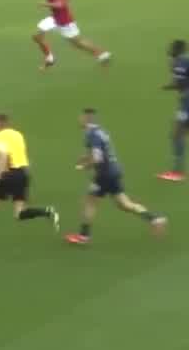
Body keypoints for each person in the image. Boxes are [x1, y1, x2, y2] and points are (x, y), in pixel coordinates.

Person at [65, 109, 167, 245]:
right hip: (113, 171)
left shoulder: (92, 135)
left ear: (87, 118)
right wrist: (85, 158)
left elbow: (97, 158)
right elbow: (101, 152)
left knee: (90, 201)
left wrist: (85, 166)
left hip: (104, 174)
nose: (79, 119)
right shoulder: (100, 131)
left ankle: (83, 236)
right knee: (124, 204)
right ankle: (154, 219)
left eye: (81, 117)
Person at [0, 113, 60, 248]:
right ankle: (47, 212)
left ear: (0, 123)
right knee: (19, 213)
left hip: (9, 174)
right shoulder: (18, 134)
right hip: (23, 174)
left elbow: (2, 156)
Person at [33, 0, 111, 70]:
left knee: (78, 43)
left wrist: (45, 4)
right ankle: (50, 58)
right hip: (54, 18)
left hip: (65, 22)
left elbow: (60, 5)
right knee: (37, 37)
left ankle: (102, 54)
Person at [161, 39, 189, 182]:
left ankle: (177, 172)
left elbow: (180, 84)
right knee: (180, 134)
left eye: (172, 48)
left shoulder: (180, 62)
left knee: (177, 135)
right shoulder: (184, 60)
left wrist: (167, 87)